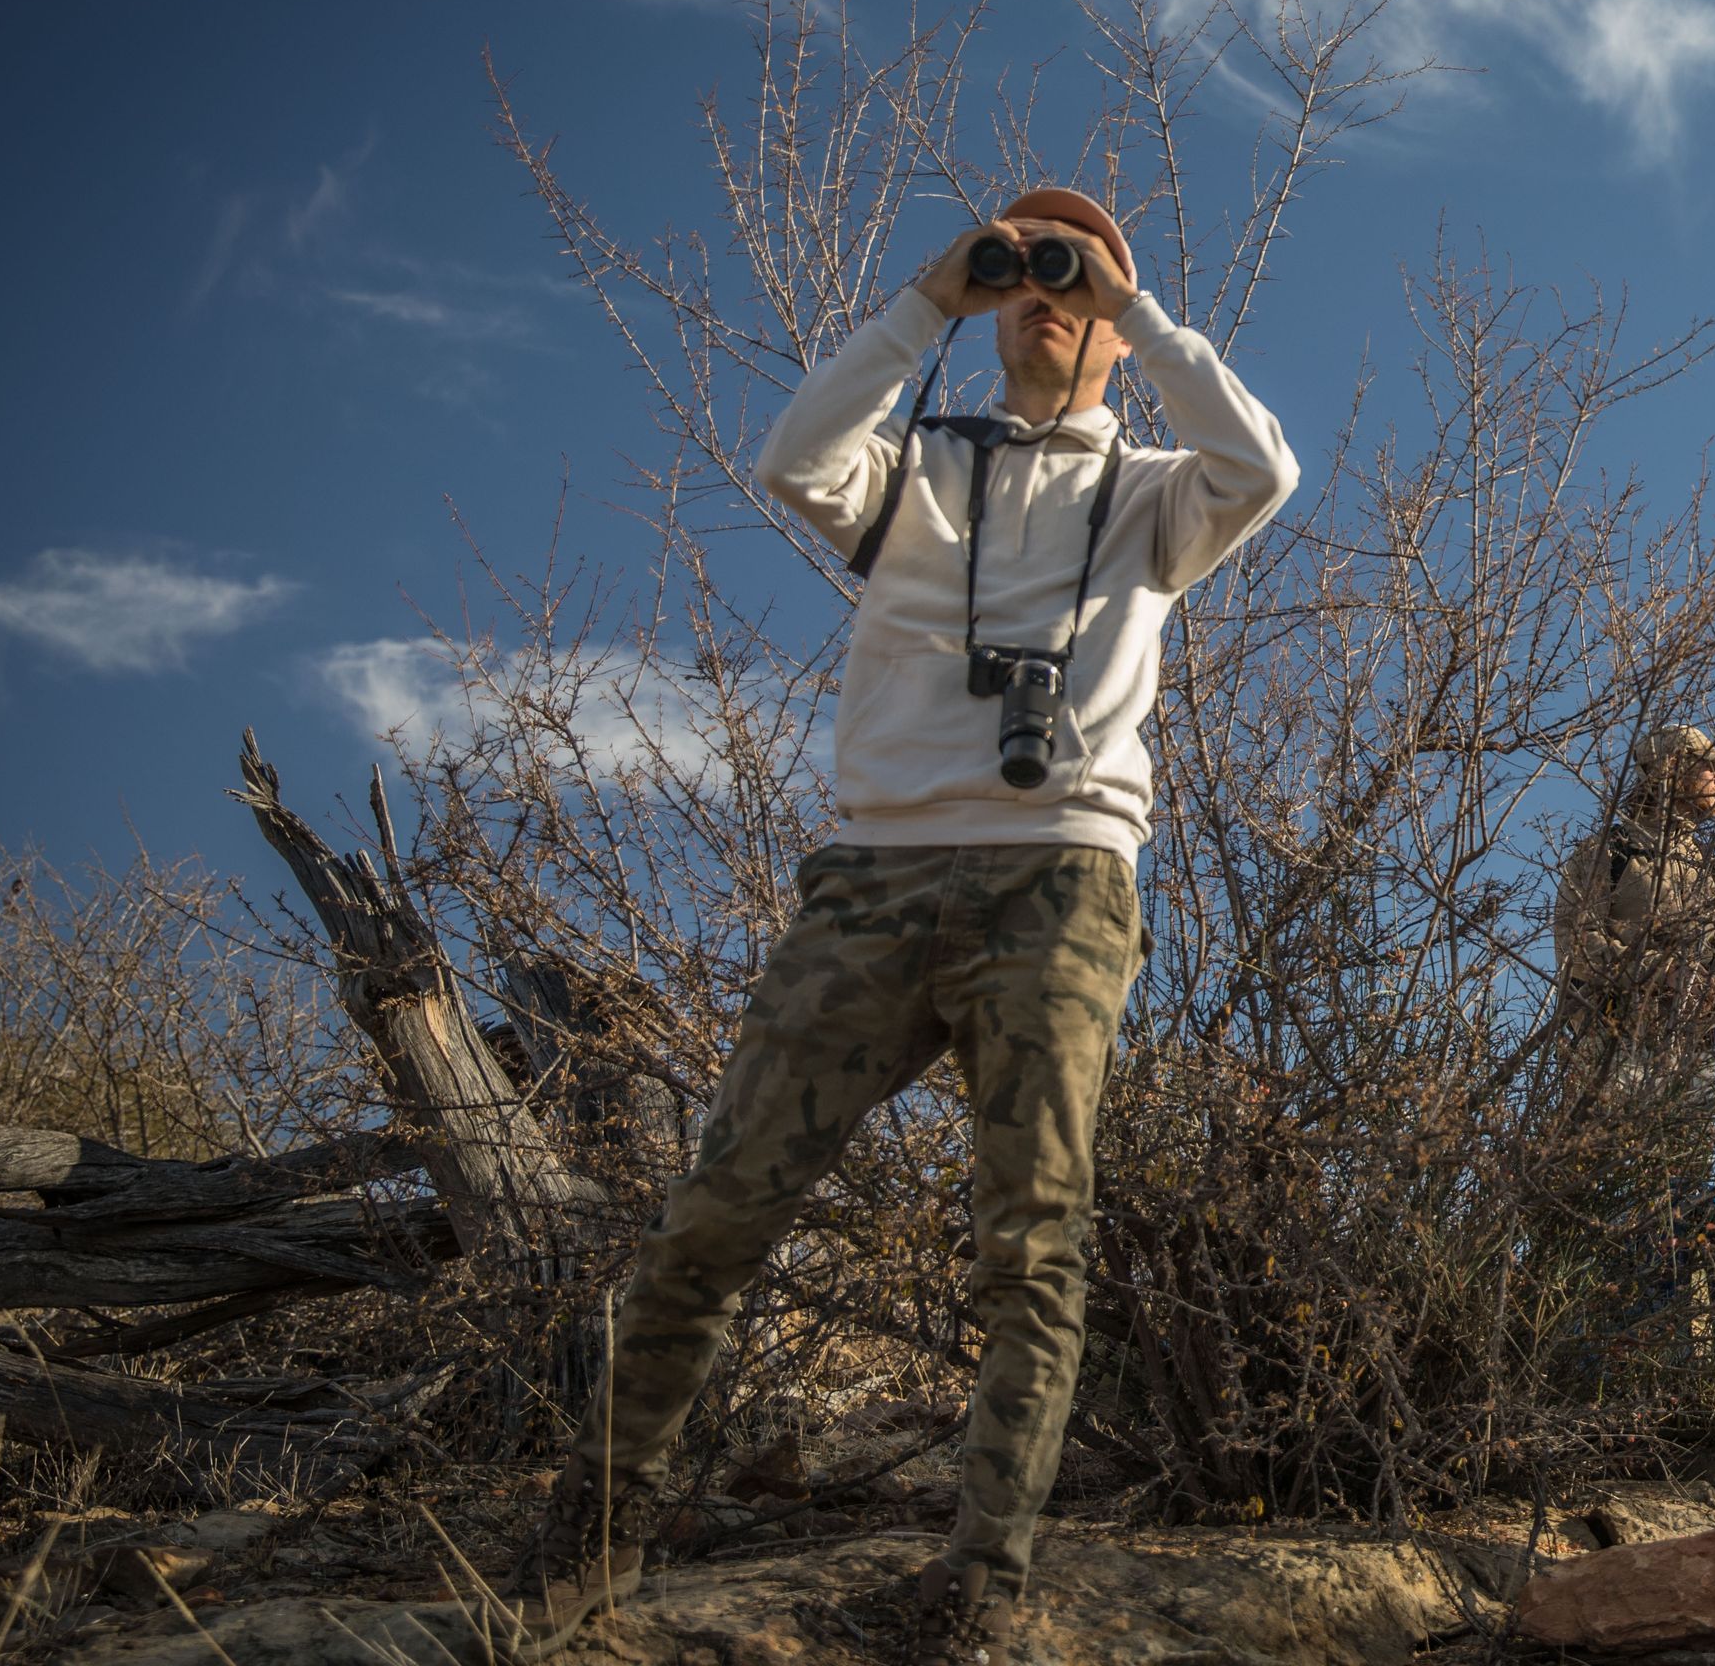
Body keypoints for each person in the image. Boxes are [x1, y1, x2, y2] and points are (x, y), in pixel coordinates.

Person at [519, 188, 1299, 1657]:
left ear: (1122, 333)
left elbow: (1265, 461)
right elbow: (793, 458)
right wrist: (924, 303)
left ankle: (982, 1584)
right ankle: (590, 1540)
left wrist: (1136, 310)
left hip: (1059, 879)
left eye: (1072, 276)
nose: (1046, 294)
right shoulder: (916, 474)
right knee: (716, 1216)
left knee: (1035, 1243)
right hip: (873, 875)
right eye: (1025, 274)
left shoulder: (1152, 498)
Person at [1542, 723, 1715, 1333]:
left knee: (1687, 1186)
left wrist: (1713, 990)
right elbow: (1576, 943)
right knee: (1617, 1184)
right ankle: (1608, 1339)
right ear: (1668, 773)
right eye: (1708, 767)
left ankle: (1703, 1337)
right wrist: (1657, 969)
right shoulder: (1604, 856)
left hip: (1689, 1051)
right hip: (1610, 1046)